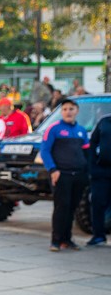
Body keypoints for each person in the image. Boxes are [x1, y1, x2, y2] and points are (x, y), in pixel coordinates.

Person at [40, 98, 90, 252]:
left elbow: (86, 152)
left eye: (71, 109)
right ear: (61, 112)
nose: (68, 112)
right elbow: (45, 151)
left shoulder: (81, 130)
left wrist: (86, 172)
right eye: (65, 109)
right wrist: (53, 170)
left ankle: (67, 240)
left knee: (72, 207)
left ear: (77, 111)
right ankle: (56, 240)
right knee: (61, 207)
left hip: (78, 175)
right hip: (61, 175)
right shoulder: (53, 129)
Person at [86, 112, 111, 247]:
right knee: (97, 204)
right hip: (101, 172)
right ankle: (98, 236)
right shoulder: (104, 122)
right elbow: (93, 143)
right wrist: (93, 168)